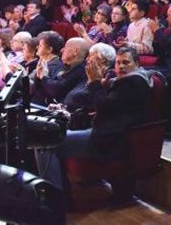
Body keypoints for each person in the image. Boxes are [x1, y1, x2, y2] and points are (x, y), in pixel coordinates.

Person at [35, 47, 152, 191]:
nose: (121, 66)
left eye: (126, 62)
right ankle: (57, 192)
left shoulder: (134, 82)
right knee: (44, 132)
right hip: (101, 131)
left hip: (110, 139)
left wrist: (94, 83)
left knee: (45, 143)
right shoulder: (120, 81)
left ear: (137, 65)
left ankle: (53, 196)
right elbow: (100, 108)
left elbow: (104, 108)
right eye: (118, 62)